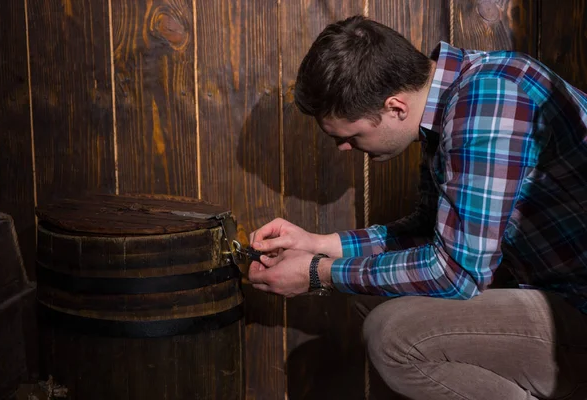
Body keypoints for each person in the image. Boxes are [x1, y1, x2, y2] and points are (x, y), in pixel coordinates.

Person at [247, 15, 587, 400]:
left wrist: (316, 273)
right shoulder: (450, 103)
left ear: (394, 107)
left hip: (577, 304)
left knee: (393, 335)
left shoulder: (488, 99)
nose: (344, 149)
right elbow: (430, 231)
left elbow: (456, 273)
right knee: (374, 295)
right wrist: (320, 245)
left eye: (352, 136)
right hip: (554, 293)